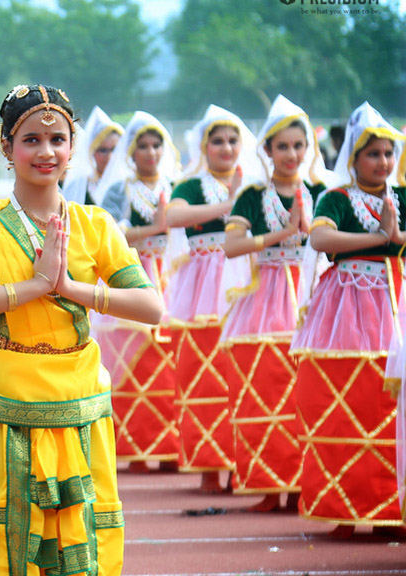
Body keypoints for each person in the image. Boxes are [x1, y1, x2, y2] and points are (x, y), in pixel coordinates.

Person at [0, 84, 163, 576]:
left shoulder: (94, 225)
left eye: (57, 139)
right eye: (31, 139)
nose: (46, 151)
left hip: (77, 409)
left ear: (72, 146)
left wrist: (71, 288)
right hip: (5, 408)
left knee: (81, 551)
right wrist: (30, 287)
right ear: (7, 148)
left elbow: (151, 306)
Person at [292, 102, 406, 538]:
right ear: (353, 158)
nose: (382, 162)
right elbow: (319, 237)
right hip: (348, 306)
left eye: (387, 153)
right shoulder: (336, 197)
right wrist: (378, 238)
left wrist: (395, 237)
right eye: (372, 154)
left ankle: (389, 509)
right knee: (345, 398)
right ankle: (340, 503)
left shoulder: (403, 196)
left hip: (397, 301)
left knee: (390, 406)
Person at [221, 95, 329, 513]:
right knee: (262, 393)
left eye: (298, 146)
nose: (291, 154)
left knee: (308, 395)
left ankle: (306, 485)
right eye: (282, 146)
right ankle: (268, 486)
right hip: (263, 298)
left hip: (311, 299)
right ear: (267, 150)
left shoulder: (323, 192)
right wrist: (280, 235)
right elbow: (231, 247)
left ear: (309, 149)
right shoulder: (251, 195)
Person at [165, 105, 260, 493]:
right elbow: (172, 218)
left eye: (233, 139)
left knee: (243, 374)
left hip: (247, 288)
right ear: (204, 145)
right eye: (217, 140)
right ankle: (208, 469)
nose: (226, 147)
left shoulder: (257, 184)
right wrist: (233, 204)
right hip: (202, 290)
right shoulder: (190, 185)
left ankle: (246, 466)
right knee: (203, 377)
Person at [95, 111, 182, 472]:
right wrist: (156, 228)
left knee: (170, 366)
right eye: (142, 146)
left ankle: (171, 448)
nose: (150, 152)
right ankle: (134, 447)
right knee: (133, 367)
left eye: (156, 145)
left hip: (173, 278)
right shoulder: (120, 190)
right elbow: (111, 235)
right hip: (134, 275)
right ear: (130, 152)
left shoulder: (176, 187)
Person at [61, 105, 123, 218]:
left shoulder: (129, 185)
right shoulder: (79, 185)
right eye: (102, 150)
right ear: (91, 153)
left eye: (115, 149)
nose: (110, 157)